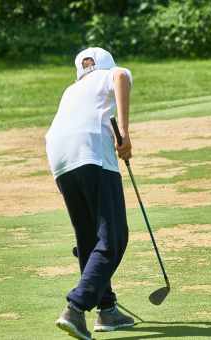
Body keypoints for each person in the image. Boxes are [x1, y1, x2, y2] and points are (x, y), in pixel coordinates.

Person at [45, 47, 134, 340]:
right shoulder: (111, 73)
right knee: (113, 236)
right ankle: (76, 305)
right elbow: (121, 75)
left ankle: (107, 309)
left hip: (59, 156)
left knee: (88, 237)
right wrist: (124, 133)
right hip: (92, 152)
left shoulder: (72, 89)